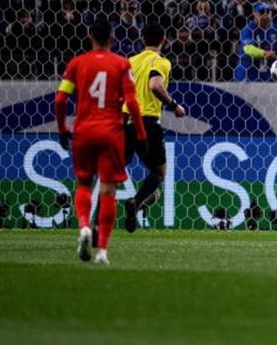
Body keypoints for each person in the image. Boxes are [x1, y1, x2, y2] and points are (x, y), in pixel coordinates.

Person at [53, 20, 147, 265]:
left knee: (84, 183)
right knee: (108, 191)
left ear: (90, 37)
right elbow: (132, 102)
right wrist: (140, 132)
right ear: (112, 40)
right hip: (111, 134)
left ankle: (84, 227)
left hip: (84, 132)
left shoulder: (77, 63)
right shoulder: (121, 64)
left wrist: (63, 128)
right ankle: (102, 251)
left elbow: (60, 100)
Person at [123, 23, 187, 233]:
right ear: (163, 41)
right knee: (159, 171)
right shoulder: (161, 61)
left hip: (124, 120)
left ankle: (94, 225)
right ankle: (136, 201)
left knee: (113, 171)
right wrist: (174, 105)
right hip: (147, 121)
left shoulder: (130, 61)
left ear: (142, 40)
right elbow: (155, 85)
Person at [235, 2, 277, 81]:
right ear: (255, 14)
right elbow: (247, 49)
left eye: (268, 12)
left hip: (267, 75)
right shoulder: (248, 29)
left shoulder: (274, 27)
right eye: (262, 13)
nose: (265, 15)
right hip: (247, 74)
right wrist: (264, 53)